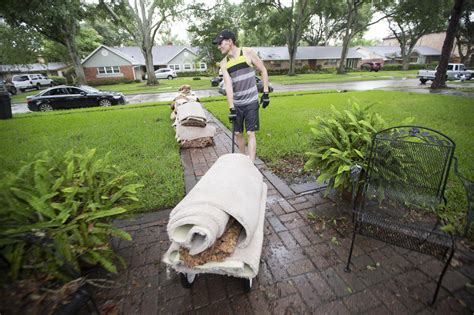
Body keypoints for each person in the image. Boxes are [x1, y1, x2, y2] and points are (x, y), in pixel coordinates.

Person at [213, 29, 270, 162]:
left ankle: (250, 164)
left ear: (230, 41)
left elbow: (263, 69)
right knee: (238, 133)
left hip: (251, 101)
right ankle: (244, 161)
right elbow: (228, 86)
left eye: (220, 43)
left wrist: (266, 93)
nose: (219, 46)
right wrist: (231, 108)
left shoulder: (248, 52)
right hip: (238, 103)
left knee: (250, 133)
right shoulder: (224, 63)